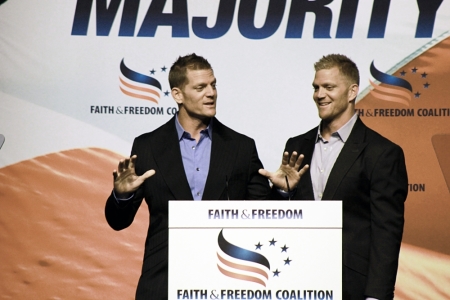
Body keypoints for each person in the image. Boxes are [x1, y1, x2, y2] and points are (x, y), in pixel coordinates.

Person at [104, 53, 274, 300]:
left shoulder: (241, 147)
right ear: (177, 95)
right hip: (164, 281)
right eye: (201, 87)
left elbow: (266, 216)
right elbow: (118, 222)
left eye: (213, 85)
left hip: (225, 282)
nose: (211, 93)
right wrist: (122, 195)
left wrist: (283, 190)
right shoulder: (147, 146)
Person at [259, 54, 408, 300]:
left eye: (329, 87)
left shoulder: (382, 153)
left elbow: (386, 235)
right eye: (316, 87)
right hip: (297, 282)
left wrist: (377, 296)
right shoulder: (297, 145)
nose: (319, 95)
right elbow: (278, 223)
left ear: (352, 92)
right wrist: (283, 193)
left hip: (352, 288)